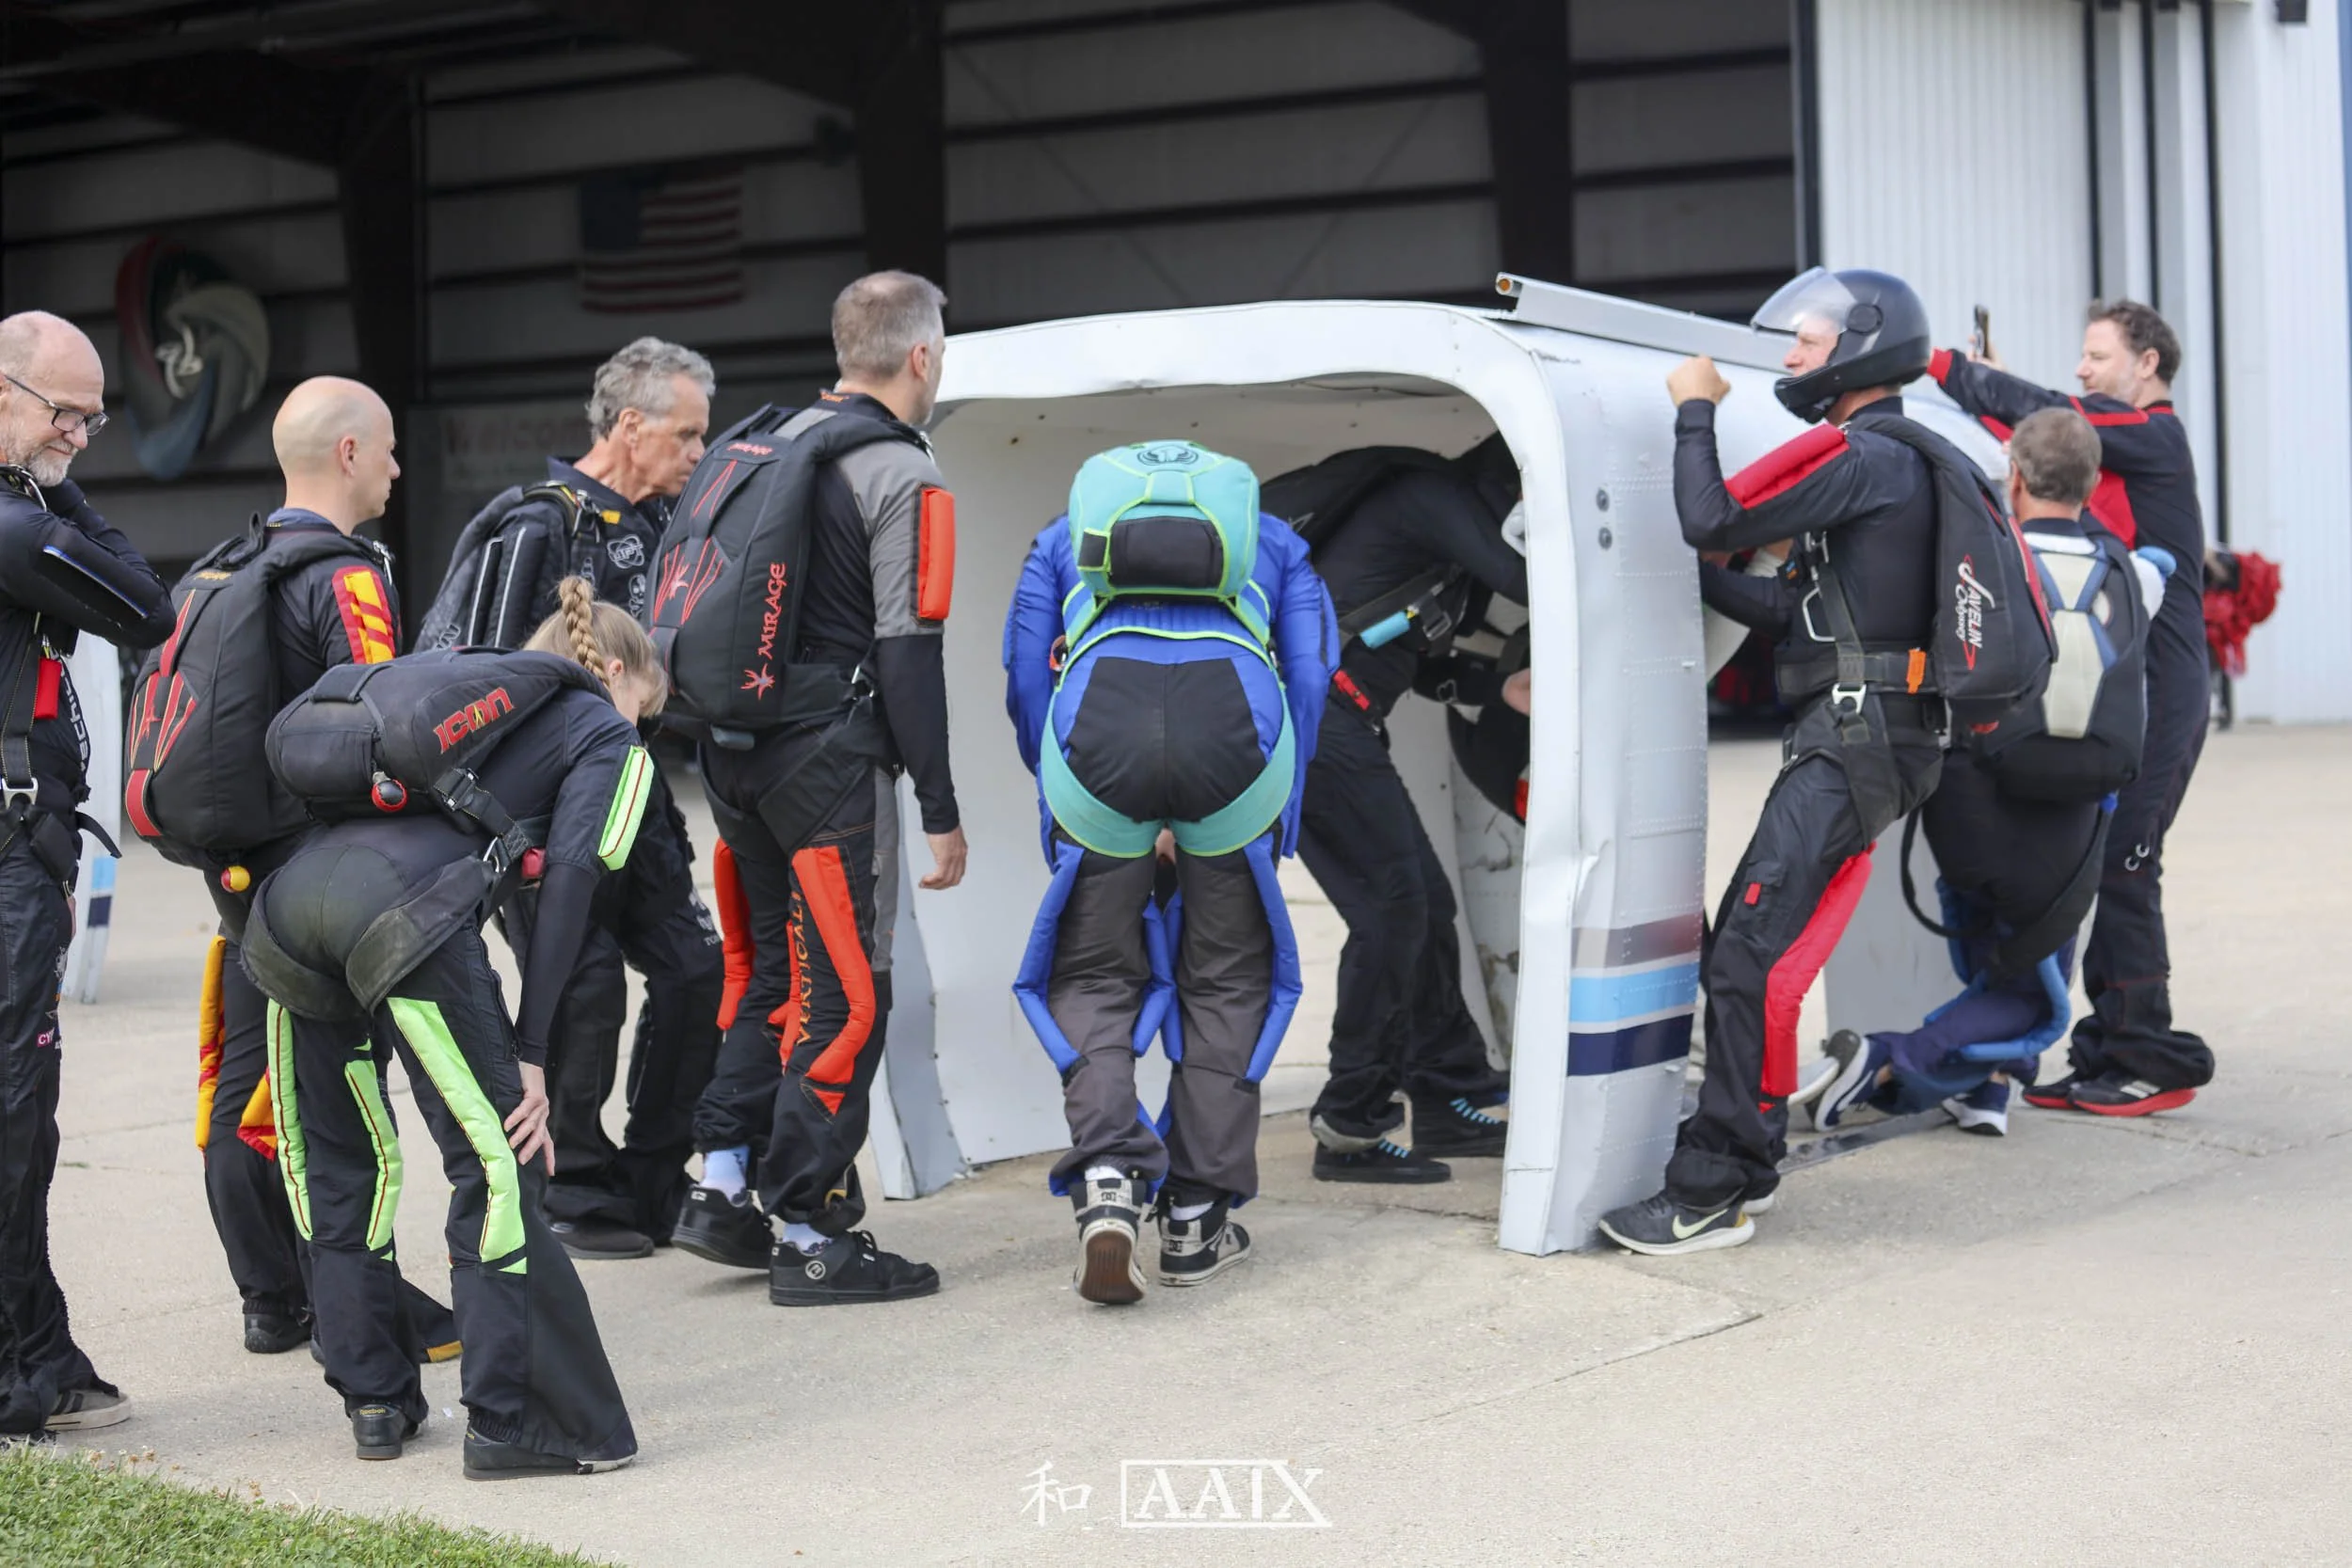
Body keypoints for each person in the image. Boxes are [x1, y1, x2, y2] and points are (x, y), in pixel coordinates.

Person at [239, 580, 652, 1473]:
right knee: (499, 1159)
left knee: (338, 1158)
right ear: (620, 676)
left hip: (288, 912)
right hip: (404, 916)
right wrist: (532, 1053)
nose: (643, 730)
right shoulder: (605, 732)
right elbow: (575, 881)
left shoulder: (462, 710)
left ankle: (375, 1398)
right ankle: (516, 1420)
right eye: (647, 711)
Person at [1599, 268, 1949, 1257]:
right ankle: (1733, 1156)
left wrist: (1694, 410)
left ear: (1861, 346)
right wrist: (1690, 579)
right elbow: (1793, 610)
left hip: (1854, 740)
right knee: (1755, 954)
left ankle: (1714, 1186)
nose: (1791, 355)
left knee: (1747, 954)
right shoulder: (1894, 463)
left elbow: (1711, 516)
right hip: (1865, 734)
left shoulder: (1861, 453)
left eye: (1807, 340)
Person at [671, 271, 967, 1307]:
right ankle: (808, 1229)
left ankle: (721, 1181)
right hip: (829, 769)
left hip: (731, 755)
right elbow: (909, 653)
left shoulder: (762, 442)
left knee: (767, 976)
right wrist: (940, 804)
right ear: (920, 356)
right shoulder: (901, 472)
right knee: (845, 989)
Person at [151, 377, 456, 1357]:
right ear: (351, 452)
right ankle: (358, 1306)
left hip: (235, 871)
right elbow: (380, 729)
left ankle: (271, 1296)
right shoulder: (346, 575)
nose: (398, 468)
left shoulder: (226, 565)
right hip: (315, 878)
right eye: (390, 448)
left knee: (241, 1081)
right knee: (327, 1103)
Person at [1004, 441, 1332, 1303]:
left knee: (1091, 969)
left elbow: (1026, 677)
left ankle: (1108, 1175)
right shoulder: (1275, 540)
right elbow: (1309, 674)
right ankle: (1195, 1215)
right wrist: (1277, 803)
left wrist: (1064, 792)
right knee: (1227, 975)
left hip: (1097, 724)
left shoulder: (1060, 537)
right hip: (1236, 727)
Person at [421, 338, 723, 1259]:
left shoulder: (667, 524)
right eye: (686, 434)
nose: (698, 453)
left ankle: (656, 1172)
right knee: (586, 985)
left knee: (694, 970)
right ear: (630, 425)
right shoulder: (536, 524)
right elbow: (472, 671)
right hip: (544, 813)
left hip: (637, 793)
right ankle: (576, 1182)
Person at [1804, 408, 2149, 1135]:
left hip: (1970, 805)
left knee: (1995, 947)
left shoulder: (1977, 559)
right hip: (2073, 810)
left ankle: (1986, 1086)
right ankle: (1890, 1059)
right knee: (2031, 992)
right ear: (2093, 484)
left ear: (2013, 476)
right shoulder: (2136, 571)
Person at [1927, 303, 2212, 1115]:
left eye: (2097, 356)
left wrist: (1946, 367)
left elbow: (2054, 414)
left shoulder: (2156, 436)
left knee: (2125, 863)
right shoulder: (2117, 445)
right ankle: (2104, 1047)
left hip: (2164, 692)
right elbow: (2040, 445)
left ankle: (2147, 1056)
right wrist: (1984, 396)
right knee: (2098, 860)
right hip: (2123, 689)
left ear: (2147, 364)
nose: (2083, 369)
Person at [0, 310, 174, 1436]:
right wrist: (53, 490)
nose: (79, 435)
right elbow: (149, 606)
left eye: (94, 418)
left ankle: (41, 1351)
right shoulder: (19, 526)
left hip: (24, 845)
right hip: (11, 852)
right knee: (17, 1112)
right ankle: (20, 1369)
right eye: (65, 412)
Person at [1281, 439, 1525, 1183]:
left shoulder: (1452, 543)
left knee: (1424, 905)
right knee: (1391, 913)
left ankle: (1449, 1094)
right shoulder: (1429, 497)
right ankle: (1349, 1121)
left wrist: (1497, 689)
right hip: (1311, 723)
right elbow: (1533, 580)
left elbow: (1412, 660)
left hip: (1341, 724)